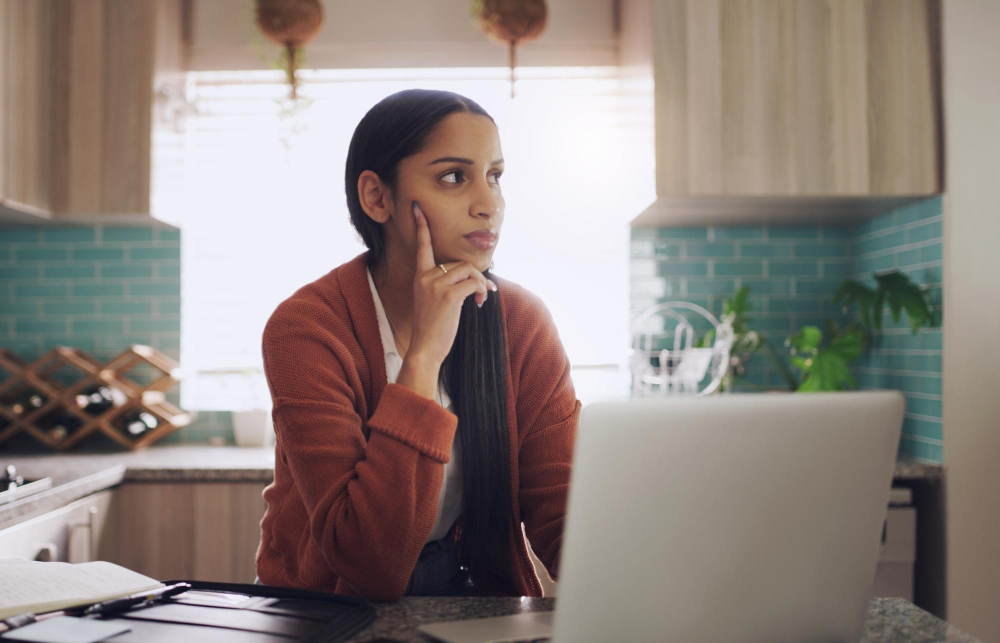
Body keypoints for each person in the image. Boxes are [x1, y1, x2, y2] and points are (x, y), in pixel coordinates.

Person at [254, 88, 581, 602]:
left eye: (495, 176)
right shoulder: (307, 328)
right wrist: (424, 357)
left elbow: (561, 516)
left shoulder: (523, 323)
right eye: (454, 177)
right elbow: (366, 561)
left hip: (475, 600)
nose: (487, 203)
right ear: (376, 198)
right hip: (325, 610)